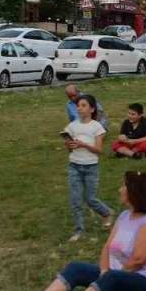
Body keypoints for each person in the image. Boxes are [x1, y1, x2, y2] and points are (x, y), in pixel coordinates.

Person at [4, 171, 146, 291]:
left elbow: (138, 260)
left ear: (135, 192)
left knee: (112, 278)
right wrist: (104, 271)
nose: (120, 189)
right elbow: (107, 247)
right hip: (117, 275)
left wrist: (108, 277)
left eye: (124, 186)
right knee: (77, 268)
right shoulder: (125, 216)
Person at [62, 94, 114, 241]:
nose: (79, 108)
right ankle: (79, 230)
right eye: (78, 106)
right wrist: (69, 145)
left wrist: (83, 144)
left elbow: (99, 150)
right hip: (74, 166)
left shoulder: (97, 127)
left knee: (90, 199)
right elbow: (70, 149)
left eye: (83, 105)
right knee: (76, 200)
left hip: (91, 167)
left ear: (92, 109)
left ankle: (106, 212)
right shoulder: (72, 126)